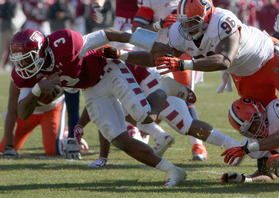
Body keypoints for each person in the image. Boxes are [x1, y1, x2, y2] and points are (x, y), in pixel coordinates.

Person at [8, 28, 194, 187]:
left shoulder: (65, 43)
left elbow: (108, 34)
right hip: (90, 89)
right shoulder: (24, 74)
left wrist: (151, 44)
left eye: (26, 59)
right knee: (119, 139)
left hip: (109, 70)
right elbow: (23, 113)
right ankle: (172, 171)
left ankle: (166, 87)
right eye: (18, 60)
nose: (22, 65)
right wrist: (38, 88)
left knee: (143, 115)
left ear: (41, 51)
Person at [103, 0, 279, 113]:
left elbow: (223, 60)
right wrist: (122, 56)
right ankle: (268, 167)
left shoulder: (223, 21)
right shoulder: (178, 31)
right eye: (184, 22)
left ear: (206, 18)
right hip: (244, 72)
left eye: (192, 22)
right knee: (254, 117)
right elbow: (156, 58)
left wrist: (183, 64)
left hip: (269, 57)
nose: (187, 28)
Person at [74, 58, 241, 167]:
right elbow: (103, 113)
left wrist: (81, 124)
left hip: (150, 80)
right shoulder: (89, 71)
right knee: (114, 113)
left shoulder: (93, 69)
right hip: (138, 84)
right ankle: (160, 135)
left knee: (186, 125)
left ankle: (233, 145)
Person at [131, 0, 208, 161]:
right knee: (154, 98)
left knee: (187, 98)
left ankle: (198, 145)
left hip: (184, 52)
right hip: (158, 54)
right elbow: (136, 30)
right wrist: (159, 25)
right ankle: (149, 135)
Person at [90, 0, 168, 148]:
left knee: (134, 75)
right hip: (145, 25)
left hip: (131, 25)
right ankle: (136, 125)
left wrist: (96, 5)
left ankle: (141, 125)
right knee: (128, 75)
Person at [0, 79, 66, 157]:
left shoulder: (55, 70)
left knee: (53, 151)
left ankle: (66, 136)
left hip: (51, 110)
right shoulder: (19, 72)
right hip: (26, 112)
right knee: (3, 148)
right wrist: (9, 147)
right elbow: (12, 110)